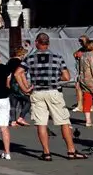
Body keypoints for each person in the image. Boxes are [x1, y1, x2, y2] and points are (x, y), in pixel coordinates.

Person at [25, 32, 86, 161]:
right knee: (64, 122)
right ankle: (71, 151)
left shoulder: (29, 58)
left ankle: (46, 153)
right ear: (48, 43)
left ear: (36, 42)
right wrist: (53, 78)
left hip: (37, 92)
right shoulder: (57, 57)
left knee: (41, 123)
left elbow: (19, 72)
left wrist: (25, 87)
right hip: (53, 91)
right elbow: (66, 77)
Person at [8, 46, 31, 126]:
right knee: (29, 100)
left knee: (13, 102)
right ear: (21, 54)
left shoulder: (10, 61)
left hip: (11, 83)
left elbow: (9, 74)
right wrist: (26, 86)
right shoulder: (21, 63)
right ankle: (21, 117)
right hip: (18, 83)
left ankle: (13, 121)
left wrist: (7, 84)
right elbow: (22, 75)